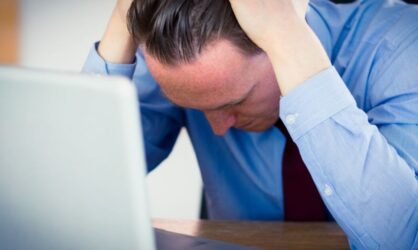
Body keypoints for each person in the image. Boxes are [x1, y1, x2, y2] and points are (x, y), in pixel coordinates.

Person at [82, 0, 418, 248]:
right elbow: (82, 188)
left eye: (234, 103)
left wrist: (287, 35)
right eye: (198, 109)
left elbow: (399, 240)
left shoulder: (403, 45)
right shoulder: (178, 62)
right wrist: (122, 18)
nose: (217, 128)